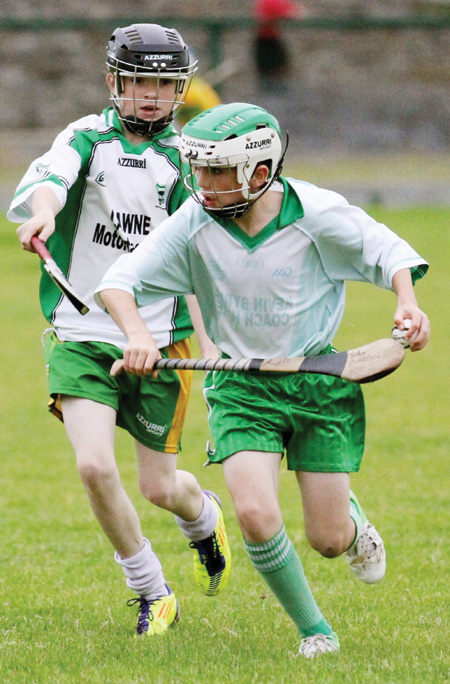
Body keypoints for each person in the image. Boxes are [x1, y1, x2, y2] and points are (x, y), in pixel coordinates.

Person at [93, 102, 430, 657]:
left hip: (316, 380)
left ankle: (351, 521)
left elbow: (387, 250)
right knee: (252, 513)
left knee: (327, 540)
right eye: (196, 170)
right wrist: (136, 334)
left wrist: (408, 303)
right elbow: (119, 281)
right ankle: (316, 633)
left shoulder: (314, 211)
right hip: (239, 388)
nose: (203, 184)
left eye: (217, 171)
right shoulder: (195, 222)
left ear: (258, 170)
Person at [7, 24, 231, 637]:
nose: (154, 96)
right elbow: (50, 181)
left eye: (166, 84)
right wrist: (43, 215)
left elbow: (200, 257)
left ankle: (203, 518)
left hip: (160, 340)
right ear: (114, 82)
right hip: (81, 329)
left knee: (161, 489)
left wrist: (209, 342)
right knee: (93, 468)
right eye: (141, 83)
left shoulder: (187, 159)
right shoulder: (86, 136)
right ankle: (151, 591)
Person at [253, 0, 304, 92]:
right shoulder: (267, 2)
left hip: (274, 40)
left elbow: (294, 13)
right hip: (265, 41)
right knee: (268, 71)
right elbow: (262, 17)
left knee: (278, 69)